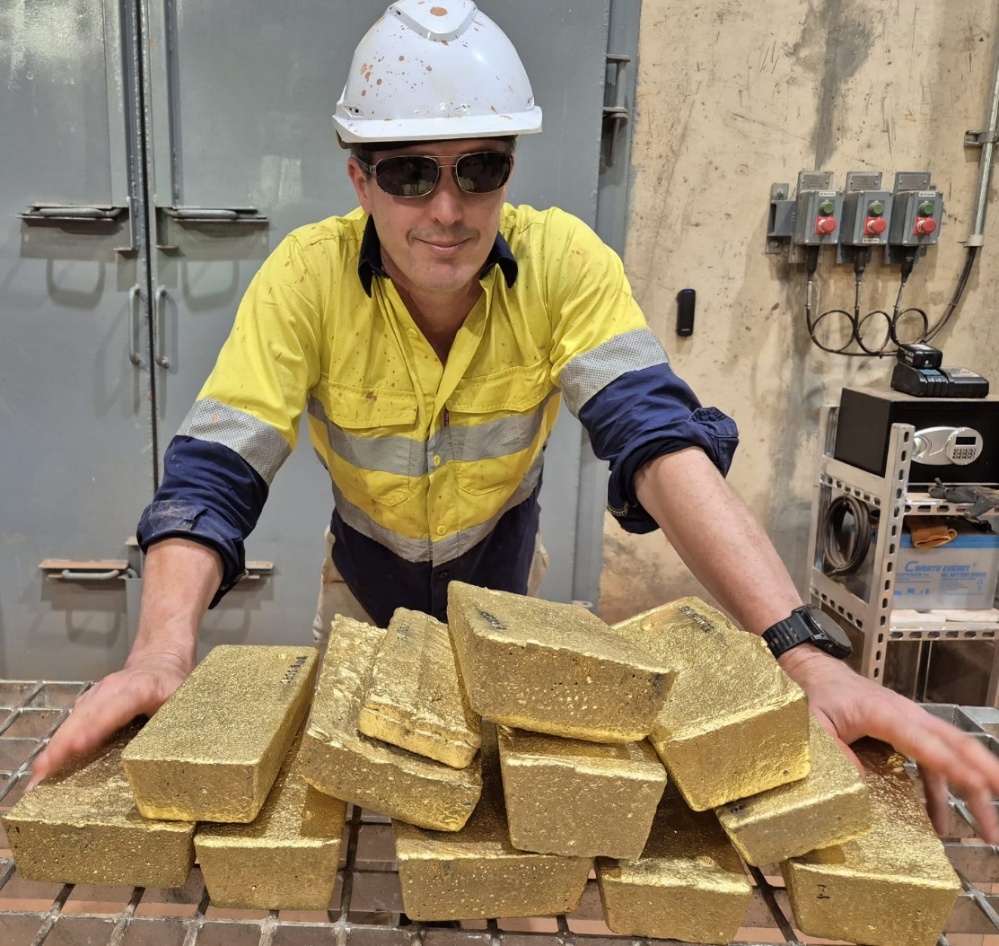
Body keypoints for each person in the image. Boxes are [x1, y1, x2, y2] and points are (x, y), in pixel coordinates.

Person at [30, 0, 999, 842]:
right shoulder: (305, 279)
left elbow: (657, 441)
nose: (448, 209)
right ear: (359, 178)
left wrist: (801, 651)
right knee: (367, 807)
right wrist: (162, 650)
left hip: (508, 587)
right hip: (360, 587)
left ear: (508, 170)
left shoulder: (563, 263)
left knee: (509, 813)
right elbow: (216, 470)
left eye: (481, 168)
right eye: (410, 175)